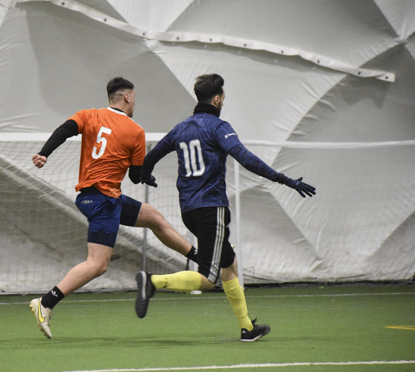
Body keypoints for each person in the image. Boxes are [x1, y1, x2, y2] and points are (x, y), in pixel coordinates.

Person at [135, 73, 316, 342]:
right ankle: (152, 282)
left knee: (229, 263)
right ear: (217, 99)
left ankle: (247, 328)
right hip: (211, 208)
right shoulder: (218, 127)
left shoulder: (180, 129)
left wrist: (144, 175)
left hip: (189, 210)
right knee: (208, 279)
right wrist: (285, 180)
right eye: (224, 98)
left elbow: (150, 157)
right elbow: (246, 159)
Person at [29, 77, 199, 339]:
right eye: (135, 98)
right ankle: (45, 303)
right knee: (97, 264)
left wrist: (44, 153)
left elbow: (64, 129)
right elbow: (135, 176)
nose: (135, 103)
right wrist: (146, 174)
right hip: (103, 200)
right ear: (127, 97)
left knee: (153, 217)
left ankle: (199, 257)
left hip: (102, 198)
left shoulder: (89, 115)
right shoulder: (135, 131)